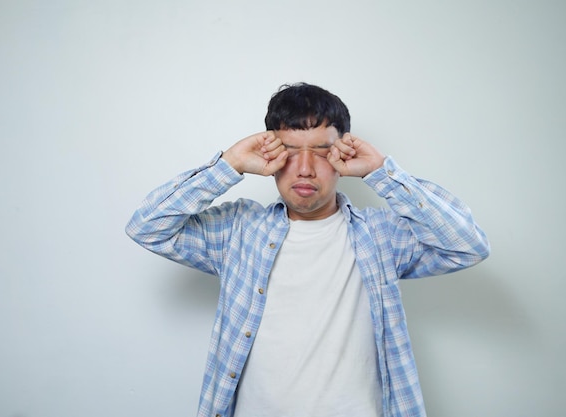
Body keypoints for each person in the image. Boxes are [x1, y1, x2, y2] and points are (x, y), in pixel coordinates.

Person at [125, 82, 490, 417]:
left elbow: (467, 246)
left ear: (342, 156)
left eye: (320, 151)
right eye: (289, 151)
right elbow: (148, 226)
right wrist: (229, 164)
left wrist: (382, 172)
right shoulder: (237, 231)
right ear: (270, 154)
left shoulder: (382, 236)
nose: (303, 169)